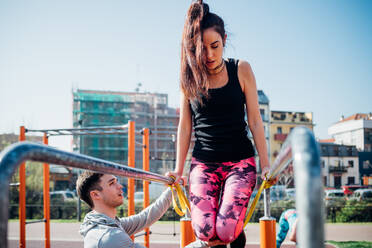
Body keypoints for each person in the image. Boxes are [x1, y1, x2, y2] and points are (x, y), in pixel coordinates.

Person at [167, 1, 271, 247]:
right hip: (204, 163)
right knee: (204, 231)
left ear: (224, 39)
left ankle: (233, 233)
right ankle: (232, 234)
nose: (209, 55)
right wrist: (178, 170)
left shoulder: (241, 69)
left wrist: (266, 165)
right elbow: (185, 127)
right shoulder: (189, 78)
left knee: (225, 231)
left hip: (240, 163)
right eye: (201, 49)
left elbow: (255, 121)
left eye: (215, 46)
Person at [76, 171, 172, 248]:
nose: (120, 186)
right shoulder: (110, 236)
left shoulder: (103, 224)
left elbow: (145, 217)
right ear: (96, 194)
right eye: (112, 183)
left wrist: (174, 189)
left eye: (116, 181)